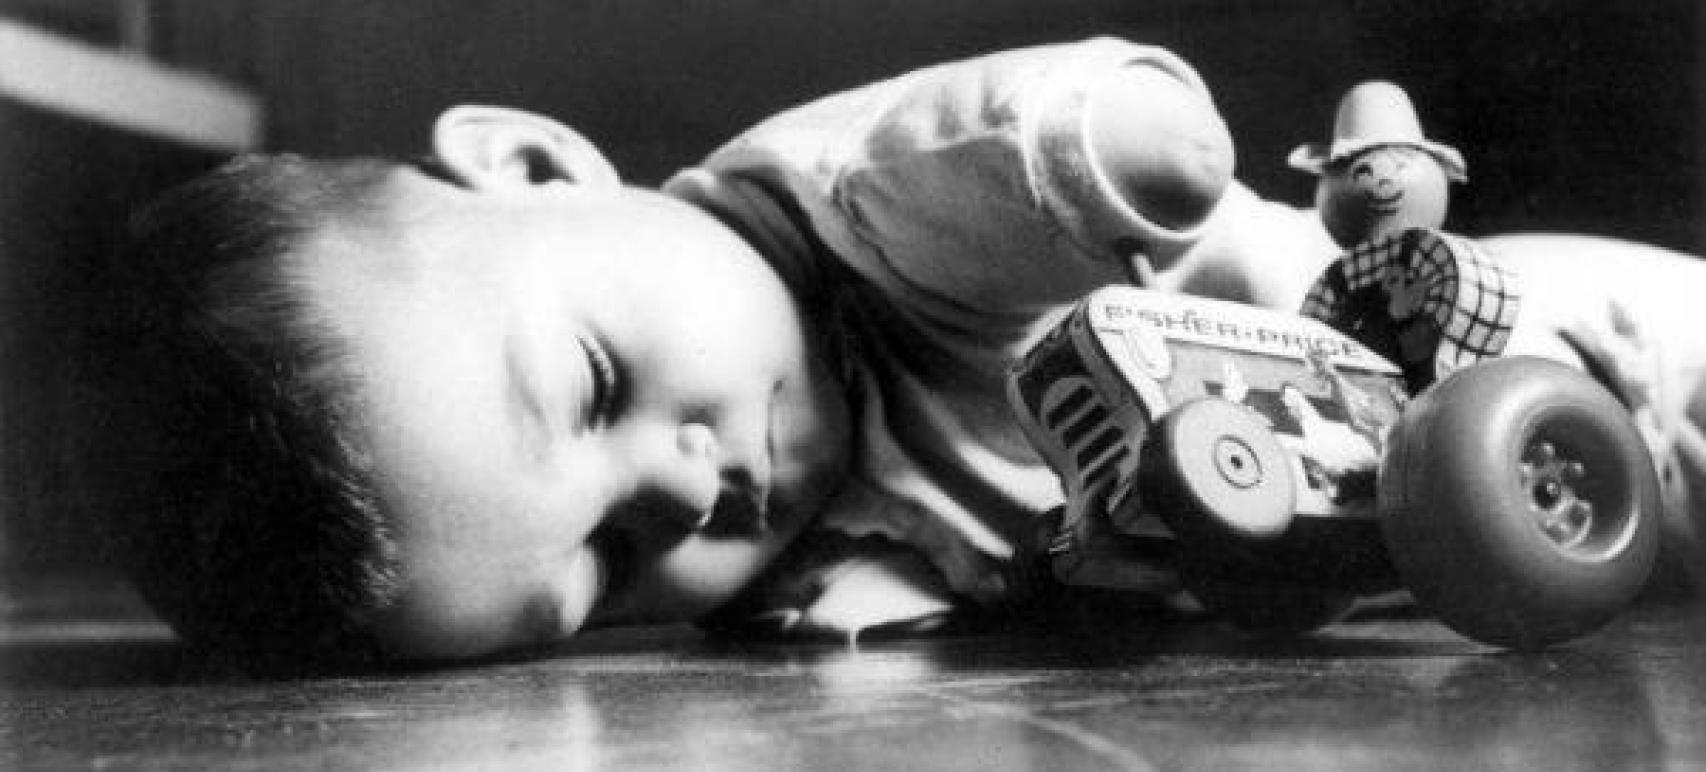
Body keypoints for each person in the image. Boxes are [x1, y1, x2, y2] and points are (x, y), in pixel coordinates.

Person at [87, 37, 1706, 667]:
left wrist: (1103, 147)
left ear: (533, 169)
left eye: (593, 388)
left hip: (1532, 349)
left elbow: (992, 150)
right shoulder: (805, 524)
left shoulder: (858, 221)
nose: (686, 490)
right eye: (610, 564)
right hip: (1466, 552)